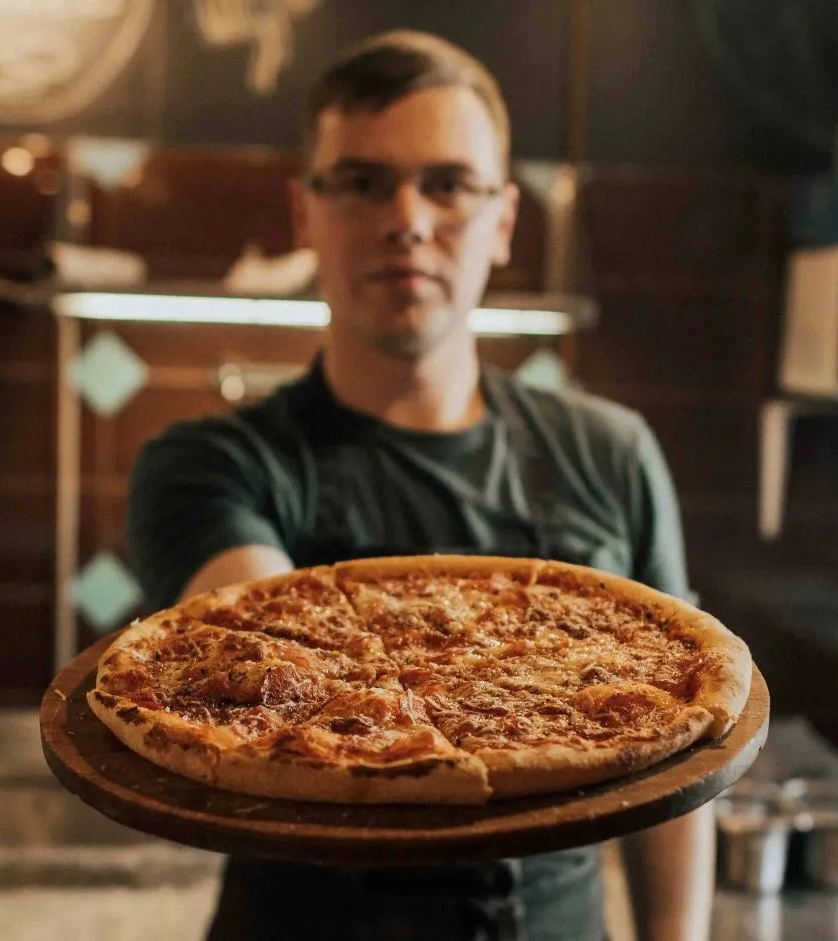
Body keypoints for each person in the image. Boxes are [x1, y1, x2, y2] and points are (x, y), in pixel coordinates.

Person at [128, 29, 715, 941]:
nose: (407, 217)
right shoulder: (211, 460)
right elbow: (267, 674)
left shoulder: (612, 450)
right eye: (363, 182)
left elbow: (686, 750)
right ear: (304, 212)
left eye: (448, 183)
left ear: (505, 219)